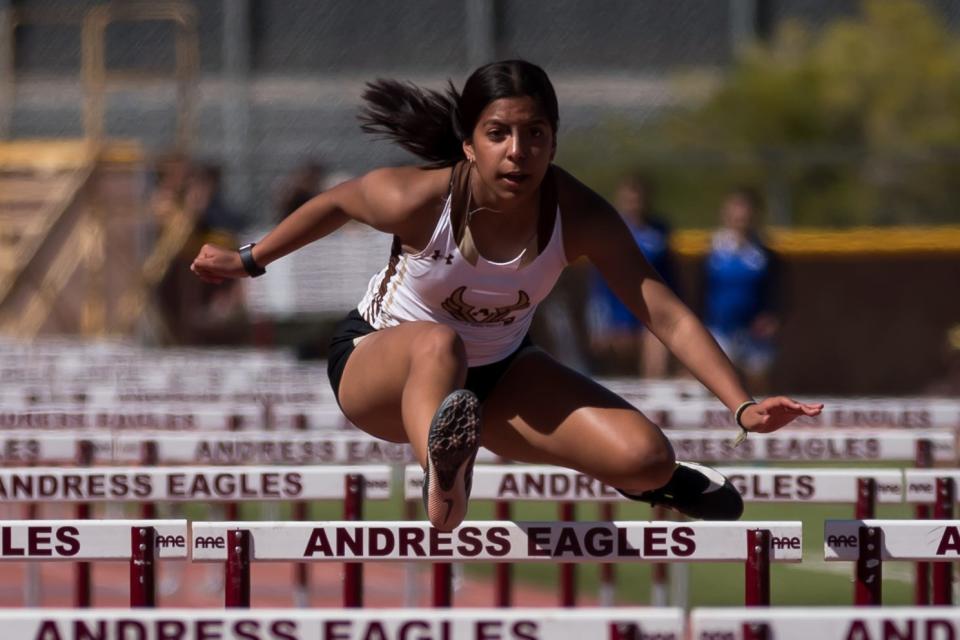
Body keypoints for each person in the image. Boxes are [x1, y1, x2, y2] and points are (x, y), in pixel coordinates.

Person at [191, 60, 822, 532]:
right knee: (440, 344)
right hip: (378, 366)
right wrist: (249, 260)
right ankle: (443, 479)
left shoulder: (578, 212)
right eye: (499, 134)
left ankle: (659, 484)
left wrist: (741, 405)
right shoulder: (419, 198)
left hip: (497, 376)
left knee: (646, 456)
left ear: (553, 141)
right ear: (469, 143)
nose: (519, 152)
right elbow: (331, 204)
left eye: (536, 135)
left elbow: (663, 311)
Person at [586, 175, 677, 378]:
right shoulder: (609, 228)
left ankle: (652, 407)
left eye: (638, 198)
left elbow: (672, 275)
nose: (634, 204)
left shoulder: (660, 230)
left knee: (655, 366)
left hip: (653, 311)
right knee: (620, 373)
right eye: (629, 199)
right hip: (619, 313)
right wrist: (598, 325)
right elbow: (597, 282)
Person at [703, 187, 781, 394]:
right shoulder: (714, 248)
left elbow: (779, 291)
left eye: (745, 209)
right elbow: (700, 288)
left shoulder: (764, 252)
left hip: (754, 333)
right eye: (735, 208)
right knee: (719, 383)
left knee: (759, 382)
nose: (740, 215)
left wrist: (772, 317)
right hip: (719, 328)